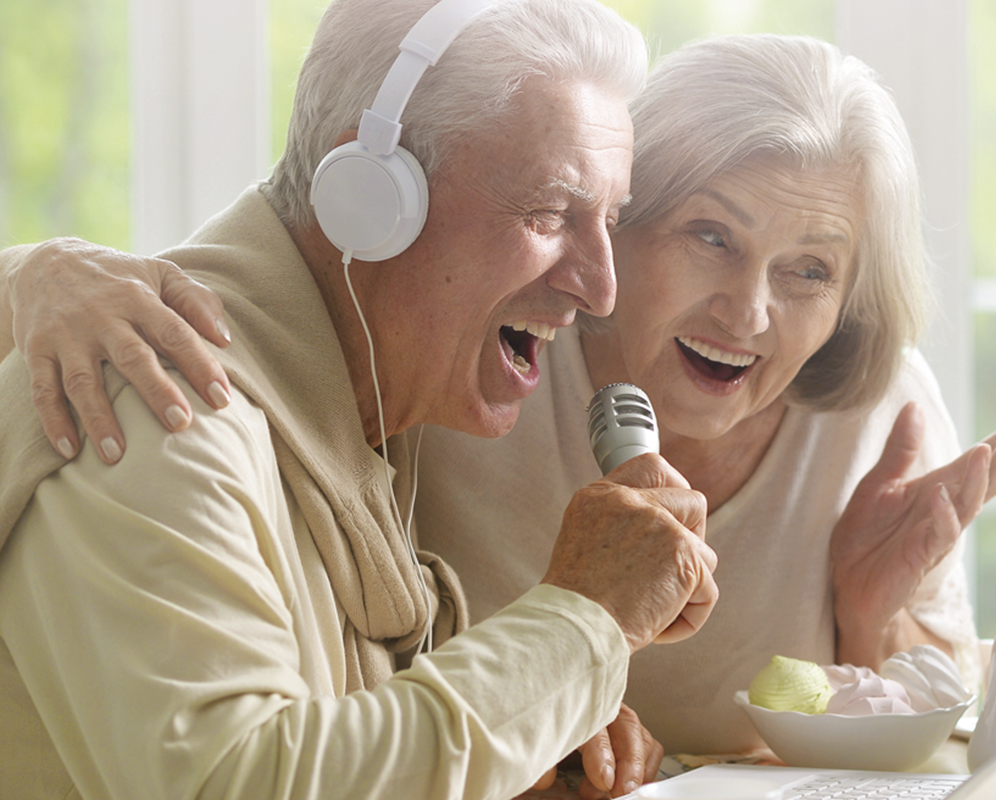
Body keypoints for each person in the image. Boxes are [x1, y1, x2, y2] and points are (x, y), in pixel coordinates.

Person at [0, 34, 996, 757]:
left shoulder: (872, 413)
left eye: (810, 270)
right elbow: (232, 308)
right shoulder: (476, 364)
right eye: (709, 236)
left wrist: (870, 617)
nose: (751, 312)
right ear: (622, 221)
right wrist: (32, 269)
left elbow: (942, 736)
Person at [0, 1, 720, 798]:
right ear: (370, 200)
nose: (601, 287)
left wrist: (532, 730)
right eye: (551, 212)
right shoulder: (160, 402)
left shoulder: (368, 417)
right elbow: (235, 785)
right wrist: (585, 620)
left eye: (609, 221)